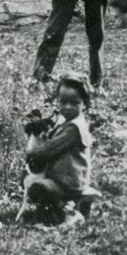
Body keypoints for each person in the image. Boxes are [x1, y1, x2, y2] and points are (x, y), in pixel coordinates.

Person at [23, 74, 99, 226]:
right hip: (61, 175)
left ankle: (66, 212)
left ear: (85, 103)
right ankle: (49, 210)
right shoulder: (66, 120)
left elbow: (49, 150)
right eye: (63, 102)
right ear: (57, 101)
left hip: (69, 182)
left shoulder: (74, 127)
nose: (68, 107)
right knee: (27, 178)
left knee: (38, 188)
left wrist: (33, 149)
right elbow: (51, 131)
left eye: (74, 103)